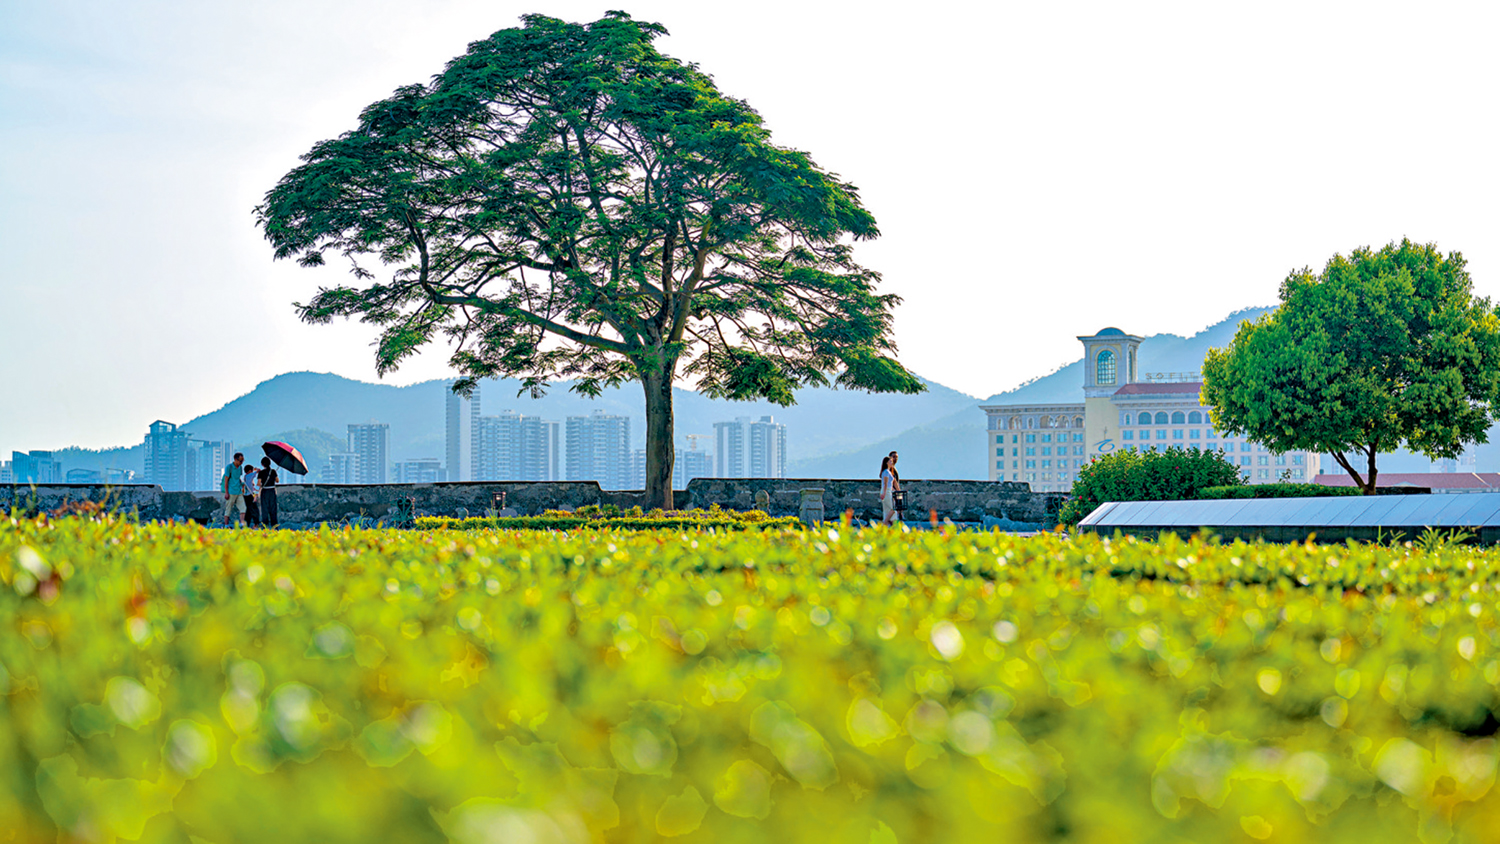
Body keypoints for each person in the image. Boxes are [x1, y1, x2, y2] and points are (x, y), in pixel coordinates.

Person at [221, 453, 246, 527]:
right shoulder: (229, 467)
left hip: (238, 491)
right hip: (231, 491)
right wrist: (226, 492)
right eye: (240, 461)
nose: (241, 462)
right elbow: (226, 480)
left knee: (243, 508)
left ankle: (242, 524)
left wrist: (242, 484)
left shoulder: (240, 468)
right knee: (228, 509)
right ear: (235, 459)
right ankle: (226, 525)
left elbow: (238, 478)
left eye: (242, 461)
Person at [258, 456, 280, 528]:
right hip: (272, 491)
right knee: (273, 508)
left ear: (262, 464)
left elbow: (259, 483)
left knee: (265, 508)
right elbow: (277, 480)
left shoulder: (261, 472)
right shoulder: (273, 471)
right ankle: (274, 525)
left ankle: (265, 525)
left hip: (265, 491)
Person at [880, 451, 901, 526]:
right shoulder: (886, 472)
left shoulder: (889, 471)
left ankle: (887, 525)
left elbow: (891, 483)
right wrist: (884, 493)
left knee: (888, 511)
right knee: (892, 509)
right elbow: (885, 484)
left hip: (889, 492)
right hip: (887, 492)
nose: (892, 462)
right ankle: (884, 524)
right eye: (890, 461)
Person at [243, 462, 261, 527]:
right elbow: (259, 471)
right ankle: (256, 523)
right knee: (254, 510)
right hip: (250, 495)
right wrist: (256, 469)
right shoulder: (249, 475)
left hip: (245, 495)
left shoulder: (245, 476)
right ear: (250, 471)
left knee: (248, 510)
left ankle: (246, 523)